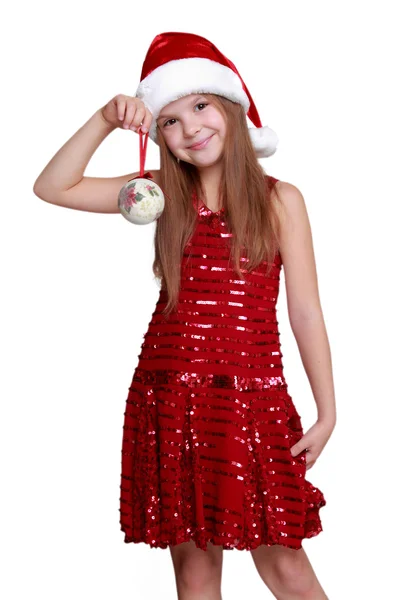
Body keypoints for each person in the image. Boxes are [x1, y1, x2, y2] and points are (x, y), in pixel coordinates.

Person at [34, 31, 336, 600]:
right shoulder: (155, 194)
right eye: (169, 120)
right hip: (170, 395)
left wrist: (327, 410)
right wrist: (104, 118)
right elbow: (53, 186)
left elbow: (305, 311)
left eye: (200, 106)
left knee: (285, 565)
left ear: (228, 107)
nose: (191, 126)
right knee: (195, 573)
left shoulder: (280, 200)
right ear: (159, 137)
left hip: (252, 397)